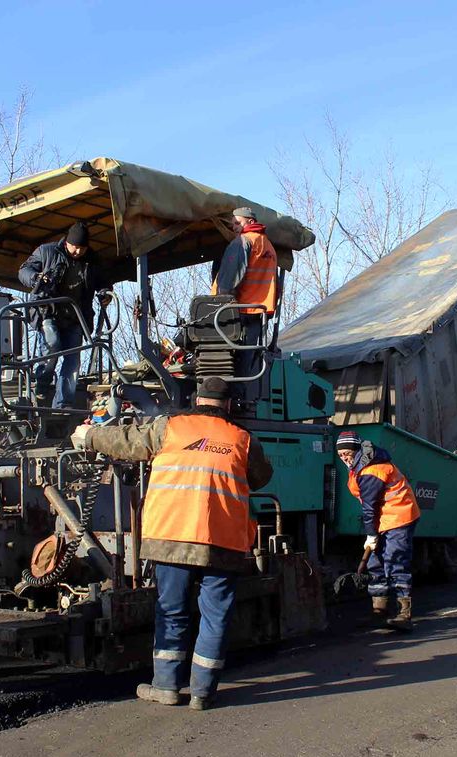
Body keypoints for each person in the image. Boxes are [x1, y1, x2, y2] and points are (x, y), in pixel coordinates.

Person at [70, 377, 271, 709]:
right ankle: (203, 692)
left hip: (172, 536)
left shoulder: (169, 428)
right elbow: (262, 477)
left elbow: (125, 441)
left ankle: (165, 686)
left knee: (172, 611)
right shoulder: (243, 440)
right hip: (222, 541)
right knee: (215, 616)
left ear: (197, 399)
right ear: (230, 406)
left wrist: (88, 435)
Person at [335, 431, 421, 632]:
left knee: (395, 561)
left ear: (357, 451)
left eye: (347, 453)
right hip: (384, 518)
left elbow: (369, 507)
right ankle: (379, 611)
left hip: (400, 515)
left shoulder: (371, 471)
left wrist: (371, 534)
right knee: (376, 563)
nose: (344, 458)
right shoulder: (360, 465)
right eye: (341, 456)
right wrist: (373, 533)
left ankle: (403, 614)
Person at [18, 222, 108, 408]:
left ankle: (63, 403)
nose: (78, 252)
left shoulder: (92, 261)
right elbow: (24, 270)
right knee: (52, 346)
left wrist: (106, 292)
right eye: (75, 247)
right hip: (48, 311)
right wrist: (36, 277)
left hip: (76, 317)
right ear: (67, 242)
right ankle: (42, 383)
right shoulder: (46, 251)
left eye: (82, 248)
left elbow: (103, 280)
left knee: (73, 361)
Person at [210, 207, 278, 379]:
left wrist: (218, 307)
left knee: (226, 361)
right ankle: (241, 393)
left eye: (237, 222)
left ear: (250, 222)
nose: (234, 227)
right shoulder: (268, 246)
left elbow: (230, 278)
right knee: (246, 362)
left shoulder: (243, 242)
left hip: (239, 311)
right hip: (259, 311)